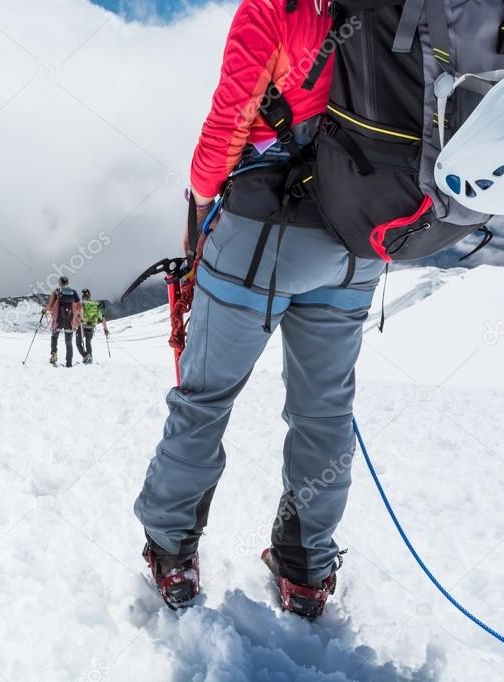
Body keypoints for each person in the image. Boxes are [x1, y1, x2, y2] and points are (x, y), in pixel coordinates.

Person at [132, 0, 384, 618]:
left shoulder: (274, 9)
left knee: (205, 396)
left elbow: (223, 135)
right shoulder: (408, 14)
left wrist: (197, 196)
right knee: (324, 412)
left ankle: (172, 553)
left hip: (261, 233)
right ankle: (304, 571)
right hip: (361, 240)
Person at [44, 276, 82, 367]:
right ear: (68, 282)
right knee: (68, 342)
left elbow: (50, 306)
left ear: (59, 283)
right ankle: (68, 363)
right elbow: (79, 306)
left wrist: (44, 310)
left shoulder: (56, 291)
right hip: (69, 320)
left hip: (58, 319)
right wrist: (78, 317)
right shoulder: (74, 292)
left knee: (54, 337)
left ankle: (54, 356)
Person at [75, 289, 109, 364]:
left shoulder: (81, 303)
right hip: (91, 327)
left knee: (78, 343)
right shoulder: (96, 304)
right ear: (89, 295)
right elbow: (102, 318)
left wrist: (77, 319)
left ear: (82, 295)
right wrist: (105, 329)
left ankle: (86, 356)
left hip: (83, 326)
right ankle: (90, 359)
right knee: (88, 343)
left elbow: (78, 315)